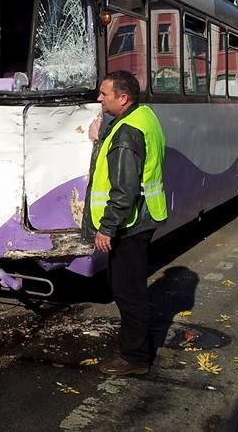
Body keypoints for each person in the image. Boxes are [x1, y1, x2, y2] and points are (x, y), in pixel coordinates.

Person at [83, 70, 168, 376]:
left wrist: (107, 227)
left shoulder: (126, 132)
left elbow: (124, 189)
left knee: (128, 293)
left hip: (129, 225)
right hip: (145, 217)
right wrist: (99, 138)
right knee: (131, 288)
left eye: (104, 94)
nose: (99, 99)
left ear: (123, 98)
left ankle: (135, 358)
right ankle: (136, 351)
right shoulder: (145, 117)